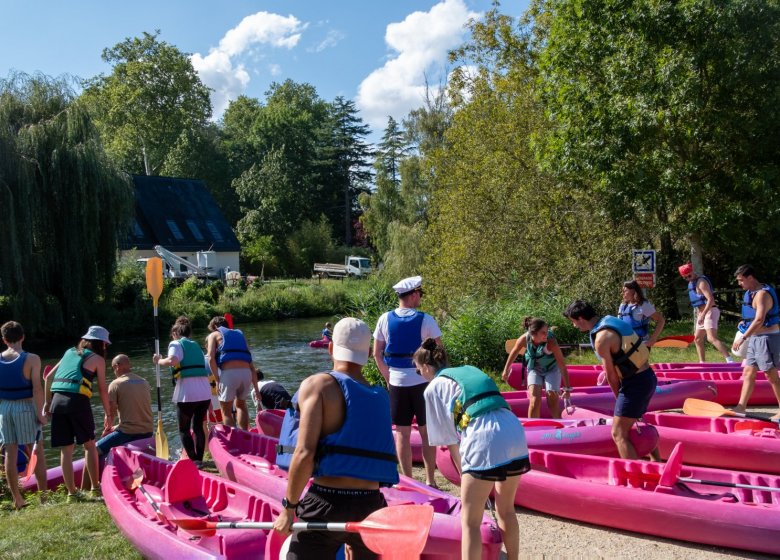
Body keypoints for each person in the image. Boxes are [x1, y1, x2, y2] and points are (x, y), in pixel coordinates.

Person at [273, 318, 399, 559]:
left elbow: (304, 453)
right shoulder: (380, 395)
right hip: (371, 505)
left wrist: (288, 509)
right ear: (368, 354)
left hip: (326, 501)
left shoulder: (318, 385)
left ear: (331, 348)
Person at [415, 338, 529, 560]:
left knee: (470, 521)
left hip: (483, 438)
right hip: (513, 430)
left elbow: (449, 441)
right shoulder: (469, 369)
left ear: (427, 368)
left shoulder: (433, 388)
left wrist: (464, 473)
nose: (421, 376)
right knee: (506, 509)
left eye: (419, 371)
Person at [564, 301, 657, 459]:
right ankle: (657, 463)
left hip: (634, 384)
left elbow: (611, 376)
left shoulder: (601, 339)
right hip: (648, 376)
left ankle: (636, 478)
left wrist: (619, 398)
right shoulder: (611, 320)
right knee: (638, 421)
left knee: (618, 433)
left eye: (573, 322)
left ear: (580, 318)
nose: (574, 326)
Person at [373, 275, 440, 487]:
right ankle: (430, 480)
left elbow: (377, 353)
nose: (420, 297)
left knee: (402, 433)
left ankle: (409, 481)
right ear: (412, 295)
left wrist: (388, 378)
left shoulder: (384, 318)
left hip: (397, 383)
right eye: (419, 294)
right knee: (426, 431)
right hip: (423, 383)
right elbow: (439, 353)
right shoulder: (426, 319)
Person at [45, 325, 111, 498]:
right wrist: (109, 414)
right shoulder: (98, 359)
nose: (105, 347)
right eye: (105, 344)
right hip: (77, 402)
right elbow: (103, 389)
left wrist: (47, 403)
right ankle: (95, 488)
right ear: (101, 343)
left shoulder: (69, 351)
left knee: (66, 450)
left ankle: (71, 494)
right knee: (89, 445)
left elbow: (47, 377)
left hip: (57, 401)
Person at [0, 321, 46, 509]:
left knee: (9, 452)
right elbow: (36, 388)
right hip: (25, 407)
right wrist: (41, 412)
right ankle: (44, 497)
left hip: (4, 409)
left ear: (4, 340)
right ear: (23, 337)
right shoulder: (32, 359)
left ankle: (17, 499)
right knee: (37, 451)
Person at [153, 316, 211, 465]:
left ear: (175, 333)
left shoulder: (176, 343)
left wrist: (158, 361)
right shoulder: (196, 345)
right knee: (197, 426)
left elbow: (172, 360)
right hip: (205, 392)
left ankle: (194, 462)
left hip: (187, 393)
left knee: (184, 429)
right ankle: (199, 459)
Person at [731, 265, 780, 419]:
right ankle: (741, 407)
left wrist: (744, 336)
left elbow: (759, 319)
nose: (740, 283)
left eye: (741, 280)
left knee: (770, 375)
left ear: (750, 278)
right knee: (748, 372)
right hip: (755, 338)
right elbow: (752, 318)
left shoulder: (762, 295)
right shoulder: (750, 293)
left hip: (767, 338)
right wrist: (744, 325)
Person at [502, 317, 572, 418]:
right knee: (534, 400)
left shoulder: (551, 341)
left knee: (552, 397)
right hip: (534, 368)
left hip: (552, 369)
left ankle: (559, 425)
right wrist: (505, 370)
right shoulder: (524, 339)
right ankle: (533, 428)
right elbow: (514, 351)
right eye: (543, 332)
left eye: (547, 331)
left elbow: (562, 365)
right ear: (534, 333)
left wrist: (567, 388)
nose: (546, 334)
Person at [205, 316, 259, 430]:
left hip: (229, 373)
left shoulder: (214, 334)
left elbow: (210, 357)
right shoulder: (240, 335)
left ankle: (234, 441)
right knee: (241, 405)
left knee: (226, 411)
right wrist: (257, 390)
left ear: (215, 326)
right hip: (246, 374)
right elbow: (251, 365)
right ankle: (245, 435)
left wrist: (217, 379)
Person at [96, 354, 153, 456]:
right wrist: (117, 426)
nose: (114, 372)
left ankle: (94, 471)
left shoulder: (116, 384)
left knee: (94, 449)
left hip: (128, 433)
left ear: (117, 366)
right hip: (148, 431)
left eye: (113, 369)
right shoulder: (144, 382)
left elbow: (111, 413)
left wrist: (107, 429)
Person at [678, 263, 734, 363]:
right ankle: (702, 363)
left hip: (710, 311)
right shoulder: (691, 283)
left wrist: (703, 314)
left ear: (693, 272)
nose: (688, 279)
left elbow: (710, 299)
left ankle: (730, 361)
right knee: (698, 339)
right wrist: (700, 315)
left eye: (689, 275)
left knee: (711, 338)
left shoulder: (701, 282)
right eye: (685, 277)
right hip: (702, 313)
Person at [618, 280, 666, 346]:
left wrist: (652, 339)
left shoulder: (643, 305)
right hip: (625, 344)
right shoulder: (623, 305)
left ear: (633, 291)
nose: (622, 293)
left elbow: (661, 320)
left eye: (625, 291)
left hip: (641, 344)